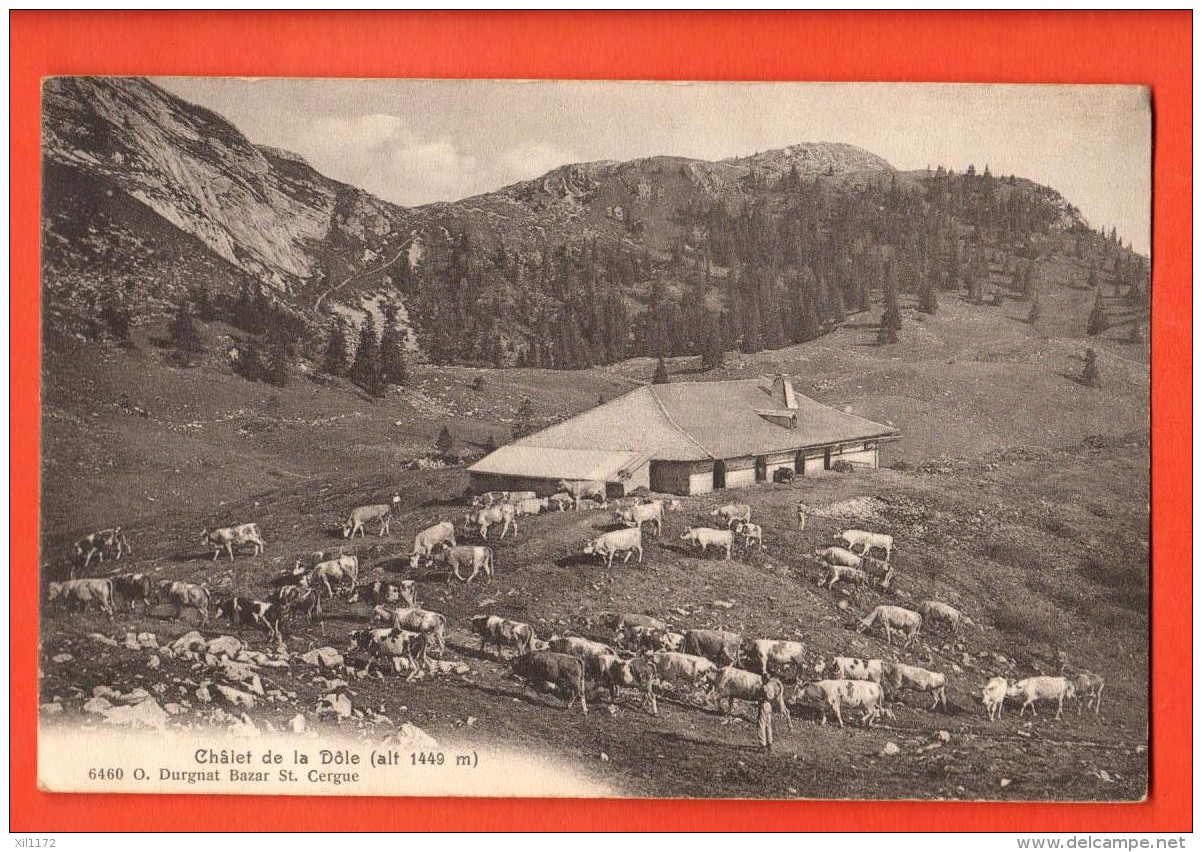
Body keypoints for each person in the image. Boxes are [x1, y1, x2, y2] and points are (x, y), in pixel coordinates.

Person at [757, 672, 788, 752]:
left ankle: (762, 745)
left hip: (764, 704)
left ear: (764, 679)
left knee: (761, 724)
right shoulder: (771, 686)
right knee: (768, 725)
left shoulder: (763, 687)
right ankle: (770, 744)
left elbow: (761, 696)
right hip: (769, 705)